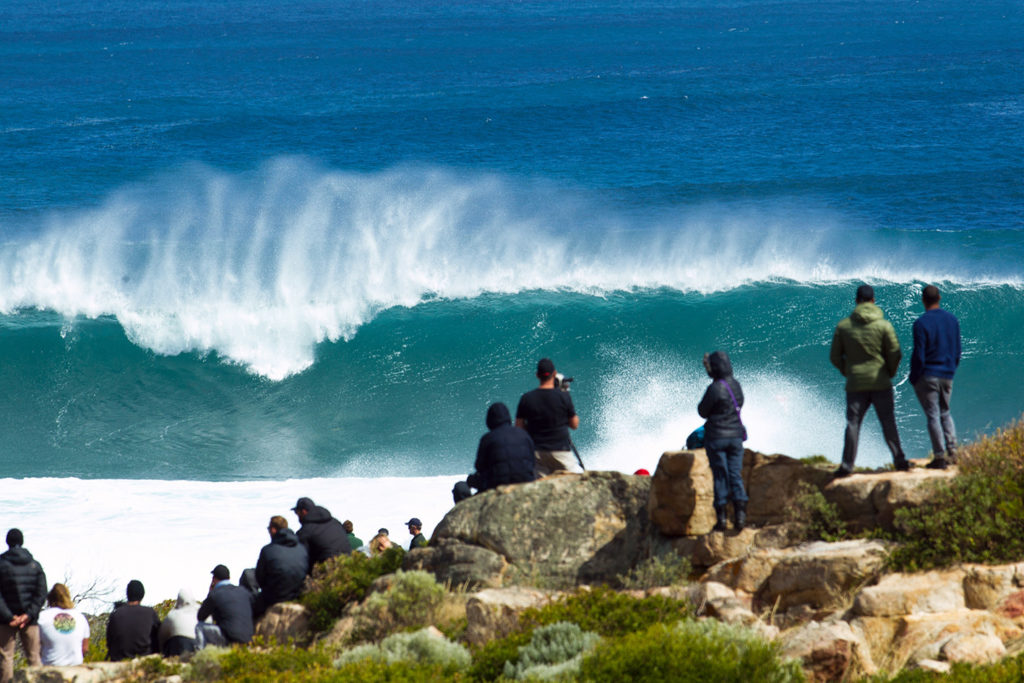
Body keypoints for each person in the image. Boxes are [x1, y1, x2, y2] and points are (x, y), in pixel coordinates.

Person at [830, 284, 911, 477]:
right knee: (888, 422)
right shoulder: (884, 325)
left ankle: (847, 466)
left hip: (856, 383)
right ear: (873, 300)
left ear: (856, 301)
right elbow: (895, 352)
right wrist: (889, 372)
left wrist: (849, 372)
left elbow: (835, 356)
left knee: (853, 424)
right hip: (880, 382)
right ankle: (900, 461)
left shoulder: (844, 326)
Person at [910, 285, 962, 469]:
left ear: (923, 300)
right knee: (945, 412)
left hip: (929, 375)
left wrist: (914, 377)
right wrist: (950, 371)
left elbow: (919, 355)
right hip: (947, 374)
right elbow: (957, 351)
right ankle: (953, 452)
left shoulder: (921, 323)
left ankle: (940, 456)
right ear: (939, 297)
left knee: (933, 415)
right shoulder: (952, 320)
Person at [698, 350, 749, 531]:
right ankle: (740, 516)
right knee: (735, 474)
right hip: (735, 438)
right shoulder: (736, 385)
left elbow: (702, 411)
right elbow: (740, 403)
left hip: (717, 438)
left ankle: (722, 519)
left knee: (720, 475)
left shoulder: (715, 388)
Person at [454, 402, 537, 503]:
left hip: (495, 485)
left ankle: (466, 515)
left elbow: (479, 466)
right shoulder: (524, 435)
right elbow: (532, 462)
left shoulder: (488, 438)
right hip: (525, 483)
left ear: (489, 420)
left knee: (460, 486)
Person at [515, 358, 580, 476]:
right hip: (560, 451)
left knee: (540, 487)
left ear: (537, 375)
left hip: (537, 453)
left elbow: (518, 427)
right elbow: (574, 424)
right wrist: (565, 392)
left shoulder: (526, 398)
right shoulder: (563, 397)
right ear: (554, 374)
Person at [0, 529, 46, 683]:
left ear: (7, 542)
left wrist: (9, 617)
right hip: (30, 621)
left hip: (6, 621)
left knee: (6, 658)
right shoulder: (35, 565)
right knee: (34, 657)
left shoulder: (1, 564)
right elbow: (41, 593)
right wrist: (28, 615)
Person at [254, 516, 309, 617]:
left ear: (273, 530)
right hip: (299, 594)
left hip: (276, 597)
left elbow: (259, 578)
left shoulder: (267, 550)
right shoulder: (301, 548)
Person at [196, 565, 254, 648]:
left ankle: (199, 654)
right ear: (229, 578)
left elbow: (200, 616)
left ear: (214, 579)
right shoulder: (243, 591)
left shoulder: (215, 594)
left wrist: (210, 593)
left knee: (199, 626)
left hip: (229, 639)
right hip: (248, 639)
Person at [291, 497, 351, 571]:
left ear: (303, 512)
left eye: (297, 512)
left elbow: (300, 560)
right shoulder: (335, 522)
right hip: (348, 566)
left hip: (328, 573)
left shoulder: (306, 531)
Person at [106, 580, 160, 661]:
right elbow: (158, 638)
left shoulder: (116, 614)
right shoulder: (150, 613)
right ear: (142, 595)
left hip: (119, 659)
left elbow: (109, 641)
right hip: (144, 659)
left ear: (127, 594)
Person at [37, 583, 89, 666]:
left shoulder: (42, 617)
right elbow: (85, 648)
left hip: (49, 669)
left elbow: (35, 647)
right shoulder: (80, 617)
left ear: (49, 599)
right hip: (75, 668)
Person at [158, 588, 199, 657]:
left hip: (177, 648)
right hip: (197, 645)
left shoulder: (172, 615)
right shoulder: (200, 612)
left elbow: (162, 636)